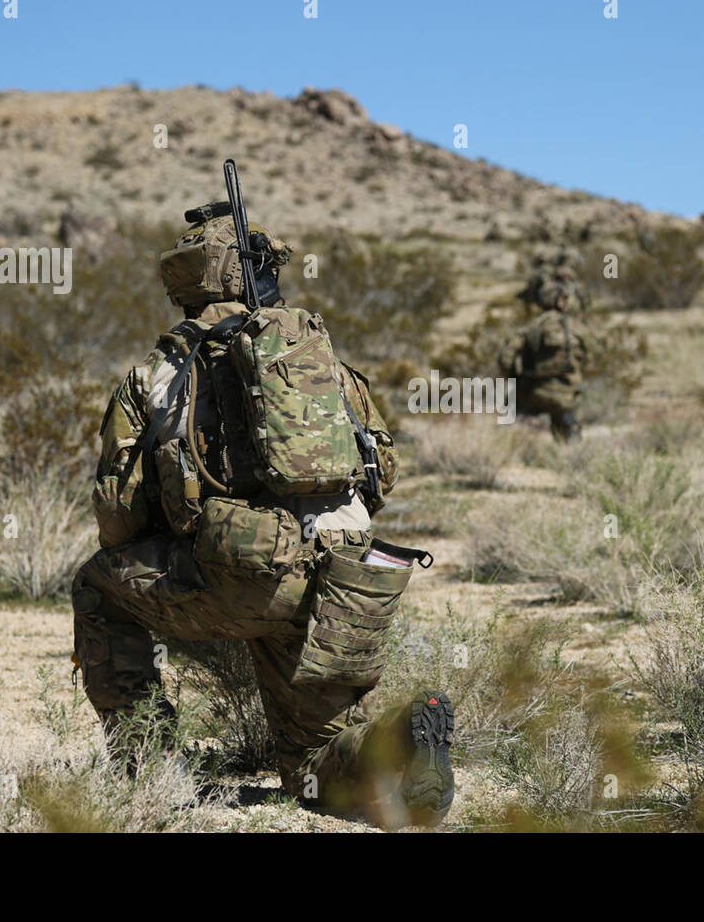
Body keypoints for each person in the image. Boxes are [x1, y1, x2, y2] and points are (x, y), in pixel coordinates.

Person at [70, 204, 454, 828]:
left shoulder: (157, 374)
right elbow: (382, 474)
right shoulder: (322, 361)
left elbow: (117, 517)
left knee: (97, 585)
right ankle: (403, 740)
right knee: (316, 763)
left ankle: (147, 765)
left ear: (186, 281)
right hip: (347, 581)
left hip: (243, 574)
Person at [499, 270, 590, 441]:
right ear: (562, 302)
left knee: (509, 416)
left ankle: (506, 445)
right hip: (568, 396)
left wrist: (516, 378)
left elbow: (505, 358)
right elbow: (591, 359)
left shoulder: (531, 327)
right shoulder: (578, 328)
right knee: (571, 431)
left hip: (535, 393)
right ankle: (571, 446)